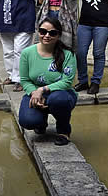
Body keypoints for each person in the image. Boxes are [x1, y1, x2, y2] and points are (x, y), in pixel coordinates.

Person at [18, 16, 78, 146]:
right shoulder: (27, 53)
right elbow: (24, 80)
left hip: (61, 94)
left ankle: (63, 131)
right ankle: (40, 121)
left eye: (52, 33)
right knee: (27, 121)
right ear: (38, 32)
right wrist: (34, 92)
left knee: (58, 99)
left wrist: (42, 90)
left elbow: (67, 81)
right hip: (35, 93)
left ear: (59, 35)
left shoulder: (67, 54)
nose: (47, 36)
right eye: (43, 31)